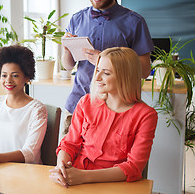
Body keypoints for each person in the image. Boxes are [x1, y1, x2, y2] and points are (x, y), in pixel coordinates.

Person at [60, 0, 154, 139]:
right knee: (66, 164)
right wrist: (66, 50)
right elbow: (68, 66)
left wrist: (106, 60)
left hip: (117, 112)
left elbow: (144, 70)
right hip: (77, 107)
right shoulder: (76, 19)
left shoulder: (135, 22)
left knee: (106, 166)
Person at [49, 47, 158, 187]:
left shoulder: (146, 116)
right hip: (74, 180)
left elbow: (134, 167)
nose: (97, 77)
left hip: (114, 185)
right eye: (98, 70)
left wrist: (83, 177)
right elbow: (69, 144)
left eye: (106, 73)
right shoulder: (85, 102)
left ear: (125, 76)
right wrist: (62, 169)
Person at [0, 45, 48, 167]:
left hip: (26, 173)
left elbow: (29, 154)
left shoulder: (37, 110)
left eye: (15, 75)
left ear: (27, 77)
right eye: (4, 75)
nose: (8, 80)